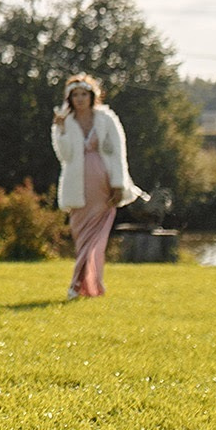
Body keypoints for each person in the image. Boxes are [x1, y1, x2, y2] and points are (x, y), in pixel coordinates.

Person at [53, 74, 147, 300]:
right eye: (75, 95)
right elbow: (64, 155)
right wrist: (61, 130)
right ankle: (90, 285)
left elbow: (119, 153)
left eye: (84, 94)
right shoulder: (64, 121)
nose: (80, 99)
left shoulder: (107, 119)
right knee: (82, 236)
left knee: (96, 237)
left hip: (102, 183)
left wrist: (119, 184)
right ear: (69, 98)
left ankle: (76, 285)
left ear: (92, 96)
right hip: (77, 185)